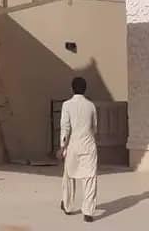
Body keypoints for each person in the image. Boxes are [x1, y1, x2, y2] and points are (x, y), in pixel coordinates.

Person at [58, 77, 98, 223]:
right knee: (90, 178)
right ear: (85, 89)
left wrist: (62, 147)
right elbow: (94, 127)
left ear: (72, 88)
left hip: (73, 145)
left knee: (69, 176)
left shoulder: (67, 105)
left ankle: (68, 206)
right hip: (88, 145)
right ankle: (88, 212)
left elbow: (65, 127)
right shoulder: (91, 106)